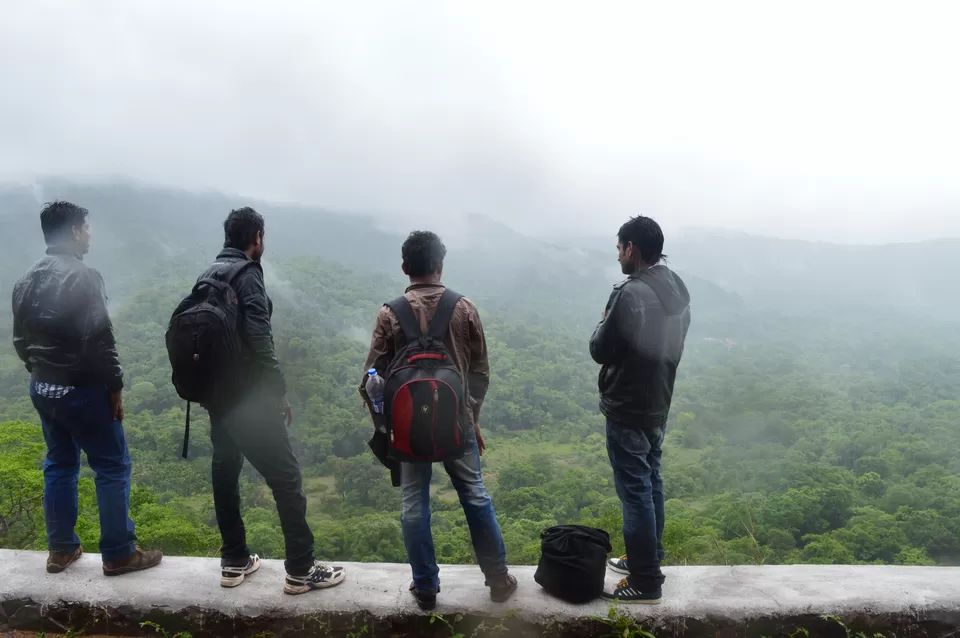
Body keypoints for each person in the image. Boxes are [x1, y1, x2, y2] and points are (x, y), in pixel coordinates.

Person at [360, 230, 516, 610]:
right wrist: (472, 417)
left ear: (404, 267)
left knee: (414, 504)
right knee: (475, 495)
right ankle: (497, 580)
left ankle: (426, 587)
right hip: (457, 422)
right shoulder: (463, 308)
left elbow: (370, 380)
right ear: (440, 266)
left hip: (408, 429)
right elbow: (480, 372)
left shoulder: (389, 313)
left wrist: (387, 429)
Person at [11, 201, 163, 576]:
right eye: (86, 227)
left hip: (43, 387)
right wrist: (115, 386)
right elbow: (100, 339)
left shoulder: (25, 278)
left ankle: (61, 549)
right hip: (83, 389)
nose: (90, 234)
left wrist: (40, 373)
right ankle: (119, 553)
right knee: (112, 465)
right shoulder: (83, 276)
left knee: (59, 464)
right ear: (75, 231)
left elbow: (19, 340)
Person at [199, 207, 345, 594]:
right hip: (250, 398)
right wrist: (278, 392)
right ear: (257, 238)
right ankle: (301, 568)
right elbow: (261, 340)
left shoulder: (208, 274)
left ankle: (233, 560)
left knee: (225, 473)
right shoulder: (247, 276)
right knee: (286, 478)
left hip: (217, 398)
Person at [589, 215, 691, 604]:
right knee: (652, 483)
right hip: (658, 404)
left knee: (635, 493)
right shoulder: (678, 294)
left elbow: (600, 349)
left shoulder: (629, 294)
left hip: (628, 405)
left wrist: (601, 323)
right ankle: (647, 557)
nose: (618, 256)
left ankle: (646, 580)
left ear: (631, 248)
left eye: (619, 248)